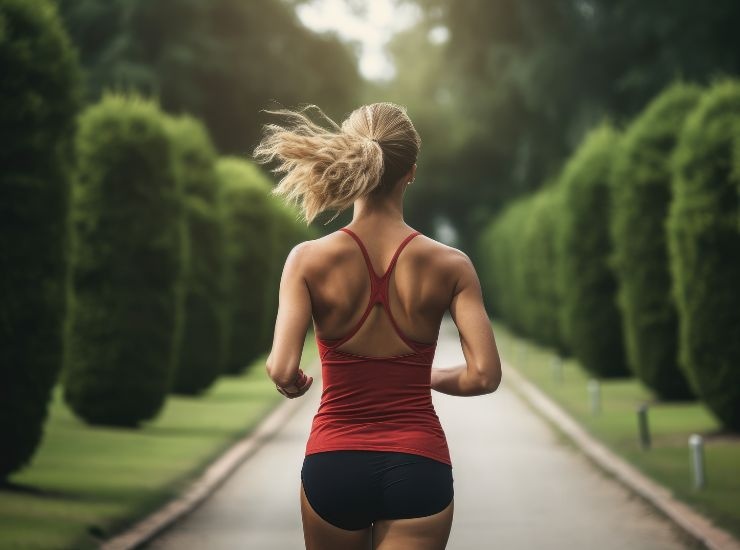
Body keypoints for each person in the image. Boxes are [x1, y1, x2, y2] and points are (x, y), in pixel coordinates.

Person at [253, 102, 501, 550]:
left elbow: (281, 366)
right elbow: (484, 375)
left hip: (334, 462)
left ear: (351, 161)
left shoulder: (307, 260)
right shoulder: (451, 265)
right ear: (411, 173)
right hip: (418, 464)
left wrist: (292, 381)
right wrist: (420, 377)